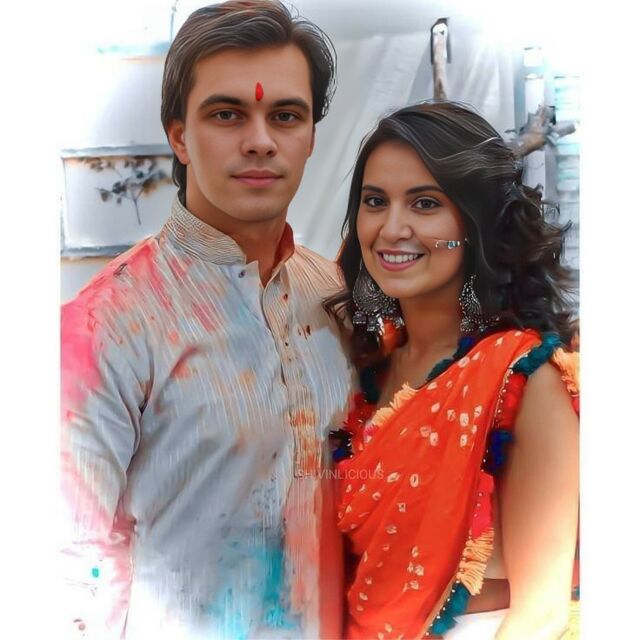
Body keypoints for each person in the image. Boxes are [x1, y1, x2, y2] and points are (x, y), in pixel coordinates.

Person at [60, 2, 353, 639]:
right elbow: (70, 566)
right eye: (227, 114)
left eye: (286, 116)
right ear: (179, 137)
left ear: (311, 138)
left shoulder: (336, 297)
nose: (260, 140)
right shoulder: (105, 326)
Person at [327, 101, 579, 639]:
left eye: (425, 203)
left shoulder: (523, 373)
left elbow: (541, 614)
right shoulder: (366, 368)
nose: (393, 228)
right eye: (375, 201)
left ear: (475, 222)